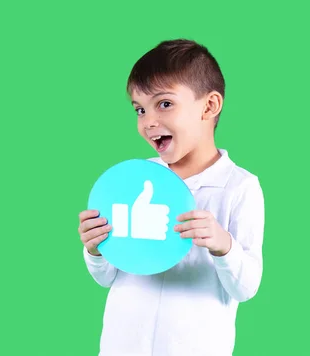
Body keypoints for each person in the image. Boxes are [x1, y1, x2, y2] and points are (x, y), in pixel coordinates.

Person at [78, 39, 265, 356]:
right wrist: (96, 249)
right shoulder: (135, 181)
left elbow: (246, 288)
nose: (148, 121)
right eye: (139, 109)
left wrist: (224, 245)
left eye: (164, 104)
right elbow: (107, 277)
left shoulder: (239, 187)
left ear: (209, 106)